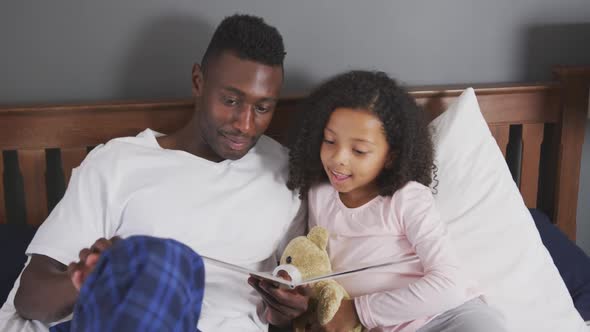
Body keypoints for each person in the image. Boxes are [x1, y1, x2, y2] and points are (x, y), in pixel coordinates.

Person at [0, 14, 309, 332]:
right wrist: (83, 281)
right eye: (231, 101)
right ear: (198, 82)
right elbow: (30, 298)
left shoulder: (288, 173)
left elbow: (293, 297)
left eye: (262, 108)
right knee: (164, 261)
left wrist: (287, 312)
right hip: (128, 321)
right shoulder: (118, 163)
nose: (245, 124)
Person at [286, 70, 508, 332]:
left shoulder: (406, 199)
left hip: (444, 317)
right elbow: (311, 262)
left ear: (390, 156)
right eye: (330, 140)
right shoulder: (318, 194)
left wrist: (358, 311)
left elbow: (450, 282)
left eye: (359, 150)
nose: (338, 158)